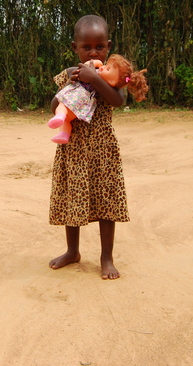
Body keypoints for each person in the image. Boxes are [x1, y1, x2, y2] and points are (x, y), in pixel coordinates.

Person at [48, 14, 148, 279]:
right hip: (74, 149)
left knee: (107, 202)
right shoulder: (70, 75)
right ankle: (72, 251)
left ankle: (106, 257)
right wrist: (71, 79)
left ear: (108, 46)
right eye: (86, 47)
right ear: (75, 48)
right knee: (73, 198)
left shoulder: (114, 74)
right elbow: (52, 106)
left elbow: (117, 100)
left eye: (100, 46)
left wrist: (95, 78)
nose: (94, 51)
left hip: (103, 150)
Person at [47, 54, 148, 144]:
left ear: (112, 81)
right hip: (81, 111)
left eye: (108, 69)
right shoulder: (75, 71)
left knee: (61, 107)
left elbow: (118, 101)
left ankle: (60, 115)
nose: (103, 68)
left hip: (77, 102)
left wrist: (93, 76)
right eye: (106, 65)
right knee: (66, 120)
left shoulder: (108, 87)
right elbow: (53, 106)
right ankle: (64, 134)